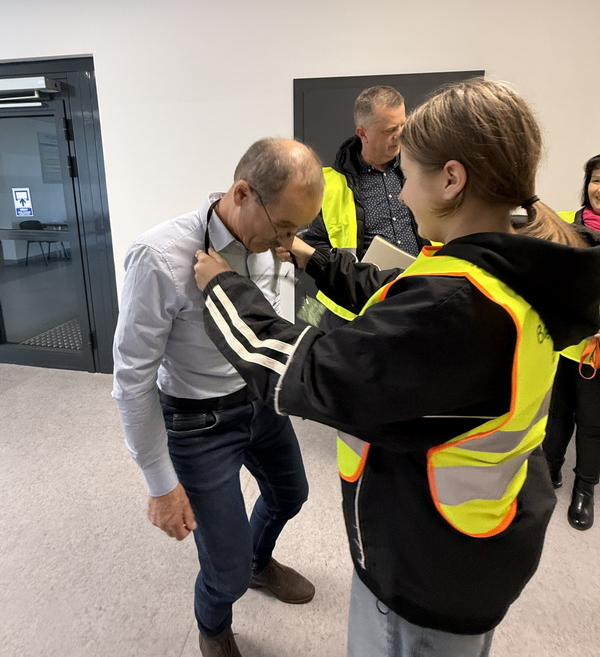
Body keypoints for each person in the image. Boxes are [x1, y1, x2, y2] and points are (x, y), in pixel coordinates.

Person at [194, 79, 600, 657]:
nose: (402, 194)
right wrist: (311, 256)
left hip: (424, 571)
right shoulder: (500, 269)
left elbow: (311, 374)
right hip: (472, 547)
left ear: (452, 179)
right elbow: (393, 290)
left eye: (408, 175)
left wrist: (223, 288)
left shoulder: (459, 310)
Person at [112, 138, 324, 657]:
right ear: (242, 193)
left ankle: (258, 563)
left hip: (259, 401)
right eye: (283, 227)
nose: (288, 242)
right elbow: (132, 379)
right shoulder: (160, 256)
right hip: (198, 421)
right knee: (223, 573)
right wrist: (160, 485)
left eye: (297, 230)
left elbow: (275, 315)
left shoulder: (269, 243)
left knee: (291, 495)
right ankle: (213, 626)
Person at [303, 85, 424, 327]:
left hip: (416, 296)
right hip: (353, 308)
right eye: (390, 130)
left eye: (403, 125)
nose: (400, 135)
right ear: (363, 133)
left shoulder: (421, 169)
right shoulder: (327, 184)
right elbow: (312, 244)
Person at [543, 153, 600, 529]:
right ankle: (550, 470)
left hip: (599, 353)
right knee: (557, 412)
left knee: (592, 422)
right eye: (596, 179)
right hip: (565, 343)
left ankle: (585, 488)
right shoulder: (564, 223)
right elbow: (548, 279)